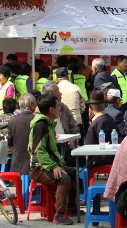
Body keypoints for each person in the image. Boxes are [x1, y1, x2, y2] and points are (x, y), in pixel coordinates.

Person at [29, 94, 82, 225]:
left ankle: (71, 207)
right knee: (64, 179)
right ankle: (59, 214)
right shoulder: (41, 125)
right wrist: (54, 166)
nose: (60, 109)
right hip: (38, 168)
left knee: (75, 174)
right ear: (51, 110)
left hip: (49, 164)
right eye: (58, 106)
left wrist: (59, 164)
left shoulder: (49, 125)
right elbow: (39, 151)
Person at [85, 90, 118, 165]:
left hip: (99, 160)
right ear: (105, 105)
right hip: (112, 157)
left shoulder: (95, 123)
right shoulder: (110, 119)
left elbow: (88, 146)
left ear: (90, 107)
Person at [8, 94, 37, 175]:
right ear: (31, 104)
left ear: (20, 105)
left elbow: (9, 142)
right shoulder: (38, 120)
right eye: (35, 103)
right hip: (35, 164)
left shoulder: (12, 121)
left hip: (17, 164)